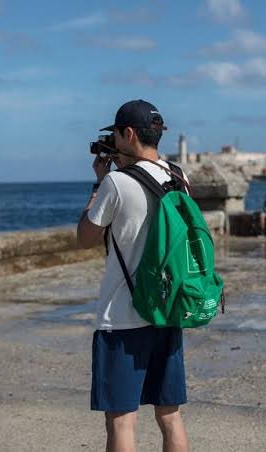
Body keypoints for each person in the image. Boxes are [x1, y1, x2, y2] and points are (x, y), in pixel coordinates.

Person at [76, 100, 191, 452]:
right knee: (170, 415)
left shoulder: (115, 183)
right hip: (166, 310)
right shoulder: (178, 176)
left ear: (128, 134)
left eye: (115, 133)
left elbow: (85, 238)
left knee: (122, 422)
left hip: (122, 319)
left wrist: (98, 183)